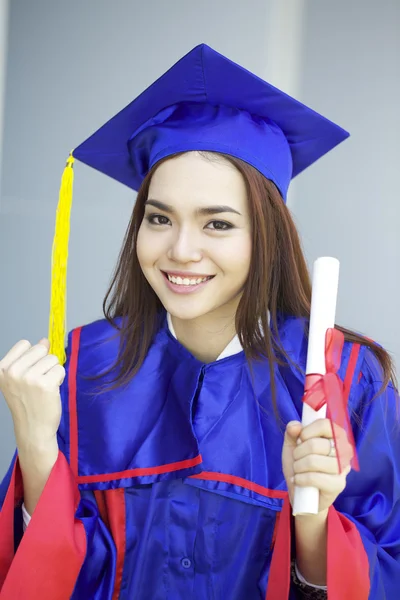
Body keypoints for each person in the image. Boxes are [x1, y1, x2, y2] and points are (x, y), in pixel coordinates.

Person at [0, 43, 399, 600]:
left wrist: (314, 515)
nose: (180, 250)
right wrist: (37, 444)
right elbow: (55, 579)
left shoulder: (346, 381)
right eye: (158, 218)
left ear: (267, 237)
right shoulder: (81, 371)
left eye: (217, 225)